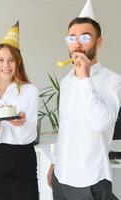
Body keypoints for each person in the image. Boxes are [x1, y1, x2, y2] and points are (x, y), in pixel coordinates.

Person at [47, 1, 121, 199]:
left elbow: (101, 123)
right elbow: (65, 127)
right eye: (72, 38)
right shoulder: (66, 81)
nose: (77, 44)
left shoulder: (112, 80)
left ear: (99, 42)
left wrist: (85, 78)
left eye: (85, 38)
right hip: (62, 176)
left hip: (90, 178)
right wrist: (55, 162)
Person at [0, 21, 39, 200]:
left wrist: (21, 124)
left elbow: (30, 136)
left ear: (18, 62)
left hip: (23, 163)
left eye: (11, 60)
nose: (6, 65)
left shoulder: (30, 91)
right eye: (1, 60)